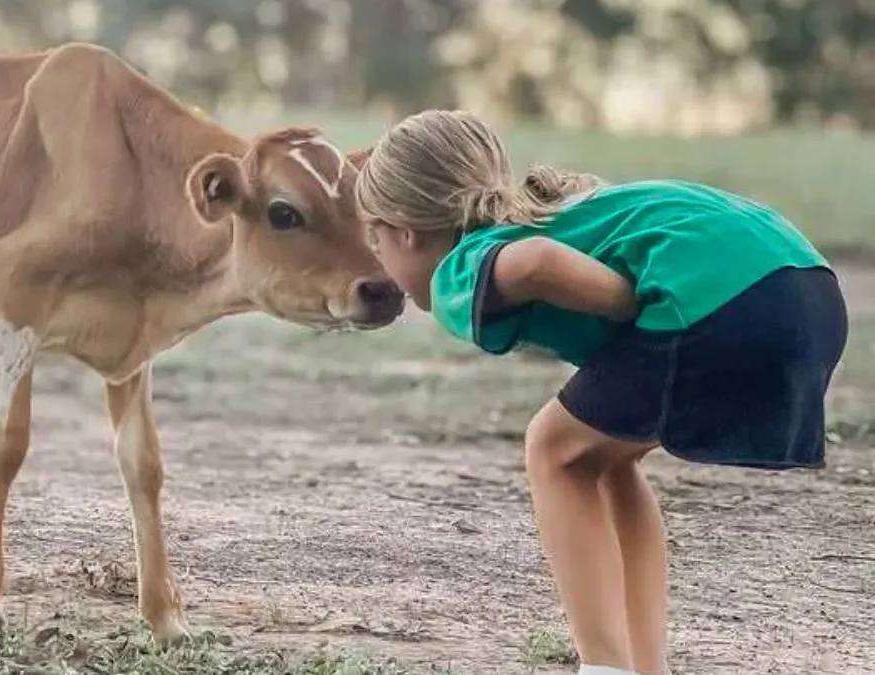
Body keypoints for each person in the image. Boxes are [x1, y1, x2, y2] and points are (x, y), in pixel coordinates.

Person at [354, 110, 848, 675]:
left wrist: (625, 303)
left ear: (404, 230)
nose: (383, 266)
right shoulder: (558, 213)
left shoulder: (461, 262)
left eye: (375, 238)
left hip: (721, 300)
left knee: (552, 450)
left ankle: (603, 666)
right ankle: (643, 665)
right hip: (806, 284)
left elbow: (537, 265)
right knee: (607, 461)